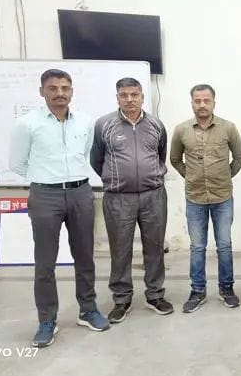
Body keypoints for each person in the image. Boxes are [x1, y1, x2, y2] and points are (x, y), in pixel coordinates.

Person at [9, 69, 110, 347]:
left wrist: (70, 181)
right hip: (45, 196)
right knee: (45, 262)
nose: (59, 93)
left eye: (65, 88)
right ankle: (47, 320)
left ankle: (88, 310)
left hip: (80, 193)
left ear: (72, 92)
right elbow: (17, 163)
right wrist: (46, 179)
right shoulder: (27, 124)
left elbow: (85, 153)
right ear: (42, 91)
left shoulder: (85, 122)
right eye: (53, 88)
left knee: (85, 257)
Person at [90, 77, 173, 322]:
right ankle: (121, 299)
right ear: (117, 98)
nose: (129, 100)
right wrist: (119, 180)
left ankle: (155, 295)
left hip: (153, 196)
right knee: (120, 250)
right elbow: (97, 160)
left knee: (155, 248)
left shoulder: (156, 124)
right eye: (124, 95)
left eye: (134, 95)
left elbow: (160, 154)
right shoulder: (104, 125)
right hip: (118, 198)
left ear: (142, 97)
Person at [170, 84, 241, 313]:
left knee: (224, 245)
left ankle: (227, 289)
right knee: (197, 247)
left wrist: (225, 176)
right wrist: (190, 176)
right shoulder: (181, 130)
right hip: (195, 198)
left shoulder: (228, 128)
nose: (202, 105)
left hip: (222, 197)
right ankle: (197, 291)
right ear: (192, 103)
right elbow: (175, 159)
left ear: (214, 102)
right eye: (197, 101)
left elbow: (239, 157)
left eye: (206, 100)